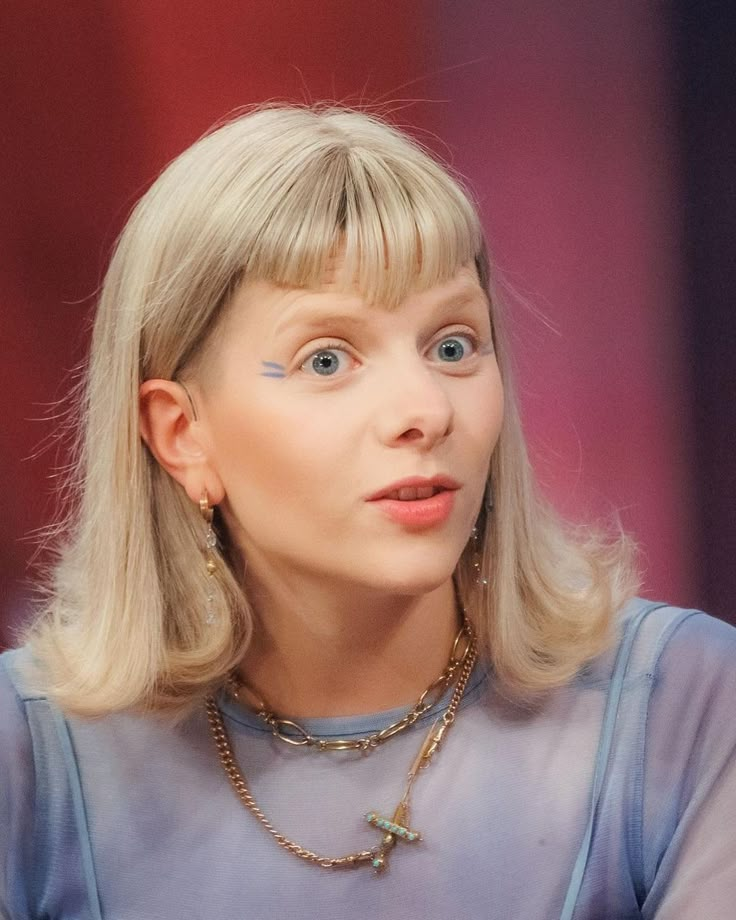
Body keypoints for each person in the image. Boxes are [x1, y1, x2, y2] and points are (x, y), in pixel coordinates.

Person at [1, 105, 734, 920]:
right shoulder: (27, 757)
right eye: (327, 359)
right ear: (183, 434)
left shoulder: (687, 704)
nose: (423, 410)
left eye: (453, 345)